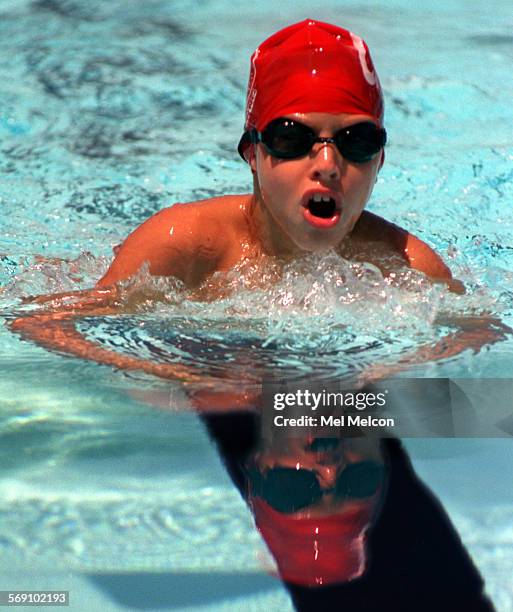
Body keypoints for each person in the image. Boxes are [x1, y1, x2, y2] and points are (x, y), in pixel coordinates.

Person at [9, 18, 502, 610]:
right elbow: (40, 323)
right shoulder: (185, 247)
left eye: (356, 141)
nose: (327, 163)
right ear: (253, 153)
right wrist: (181, 375)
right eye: (294, 139)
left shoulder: (406, 265)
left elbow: (482, 337)